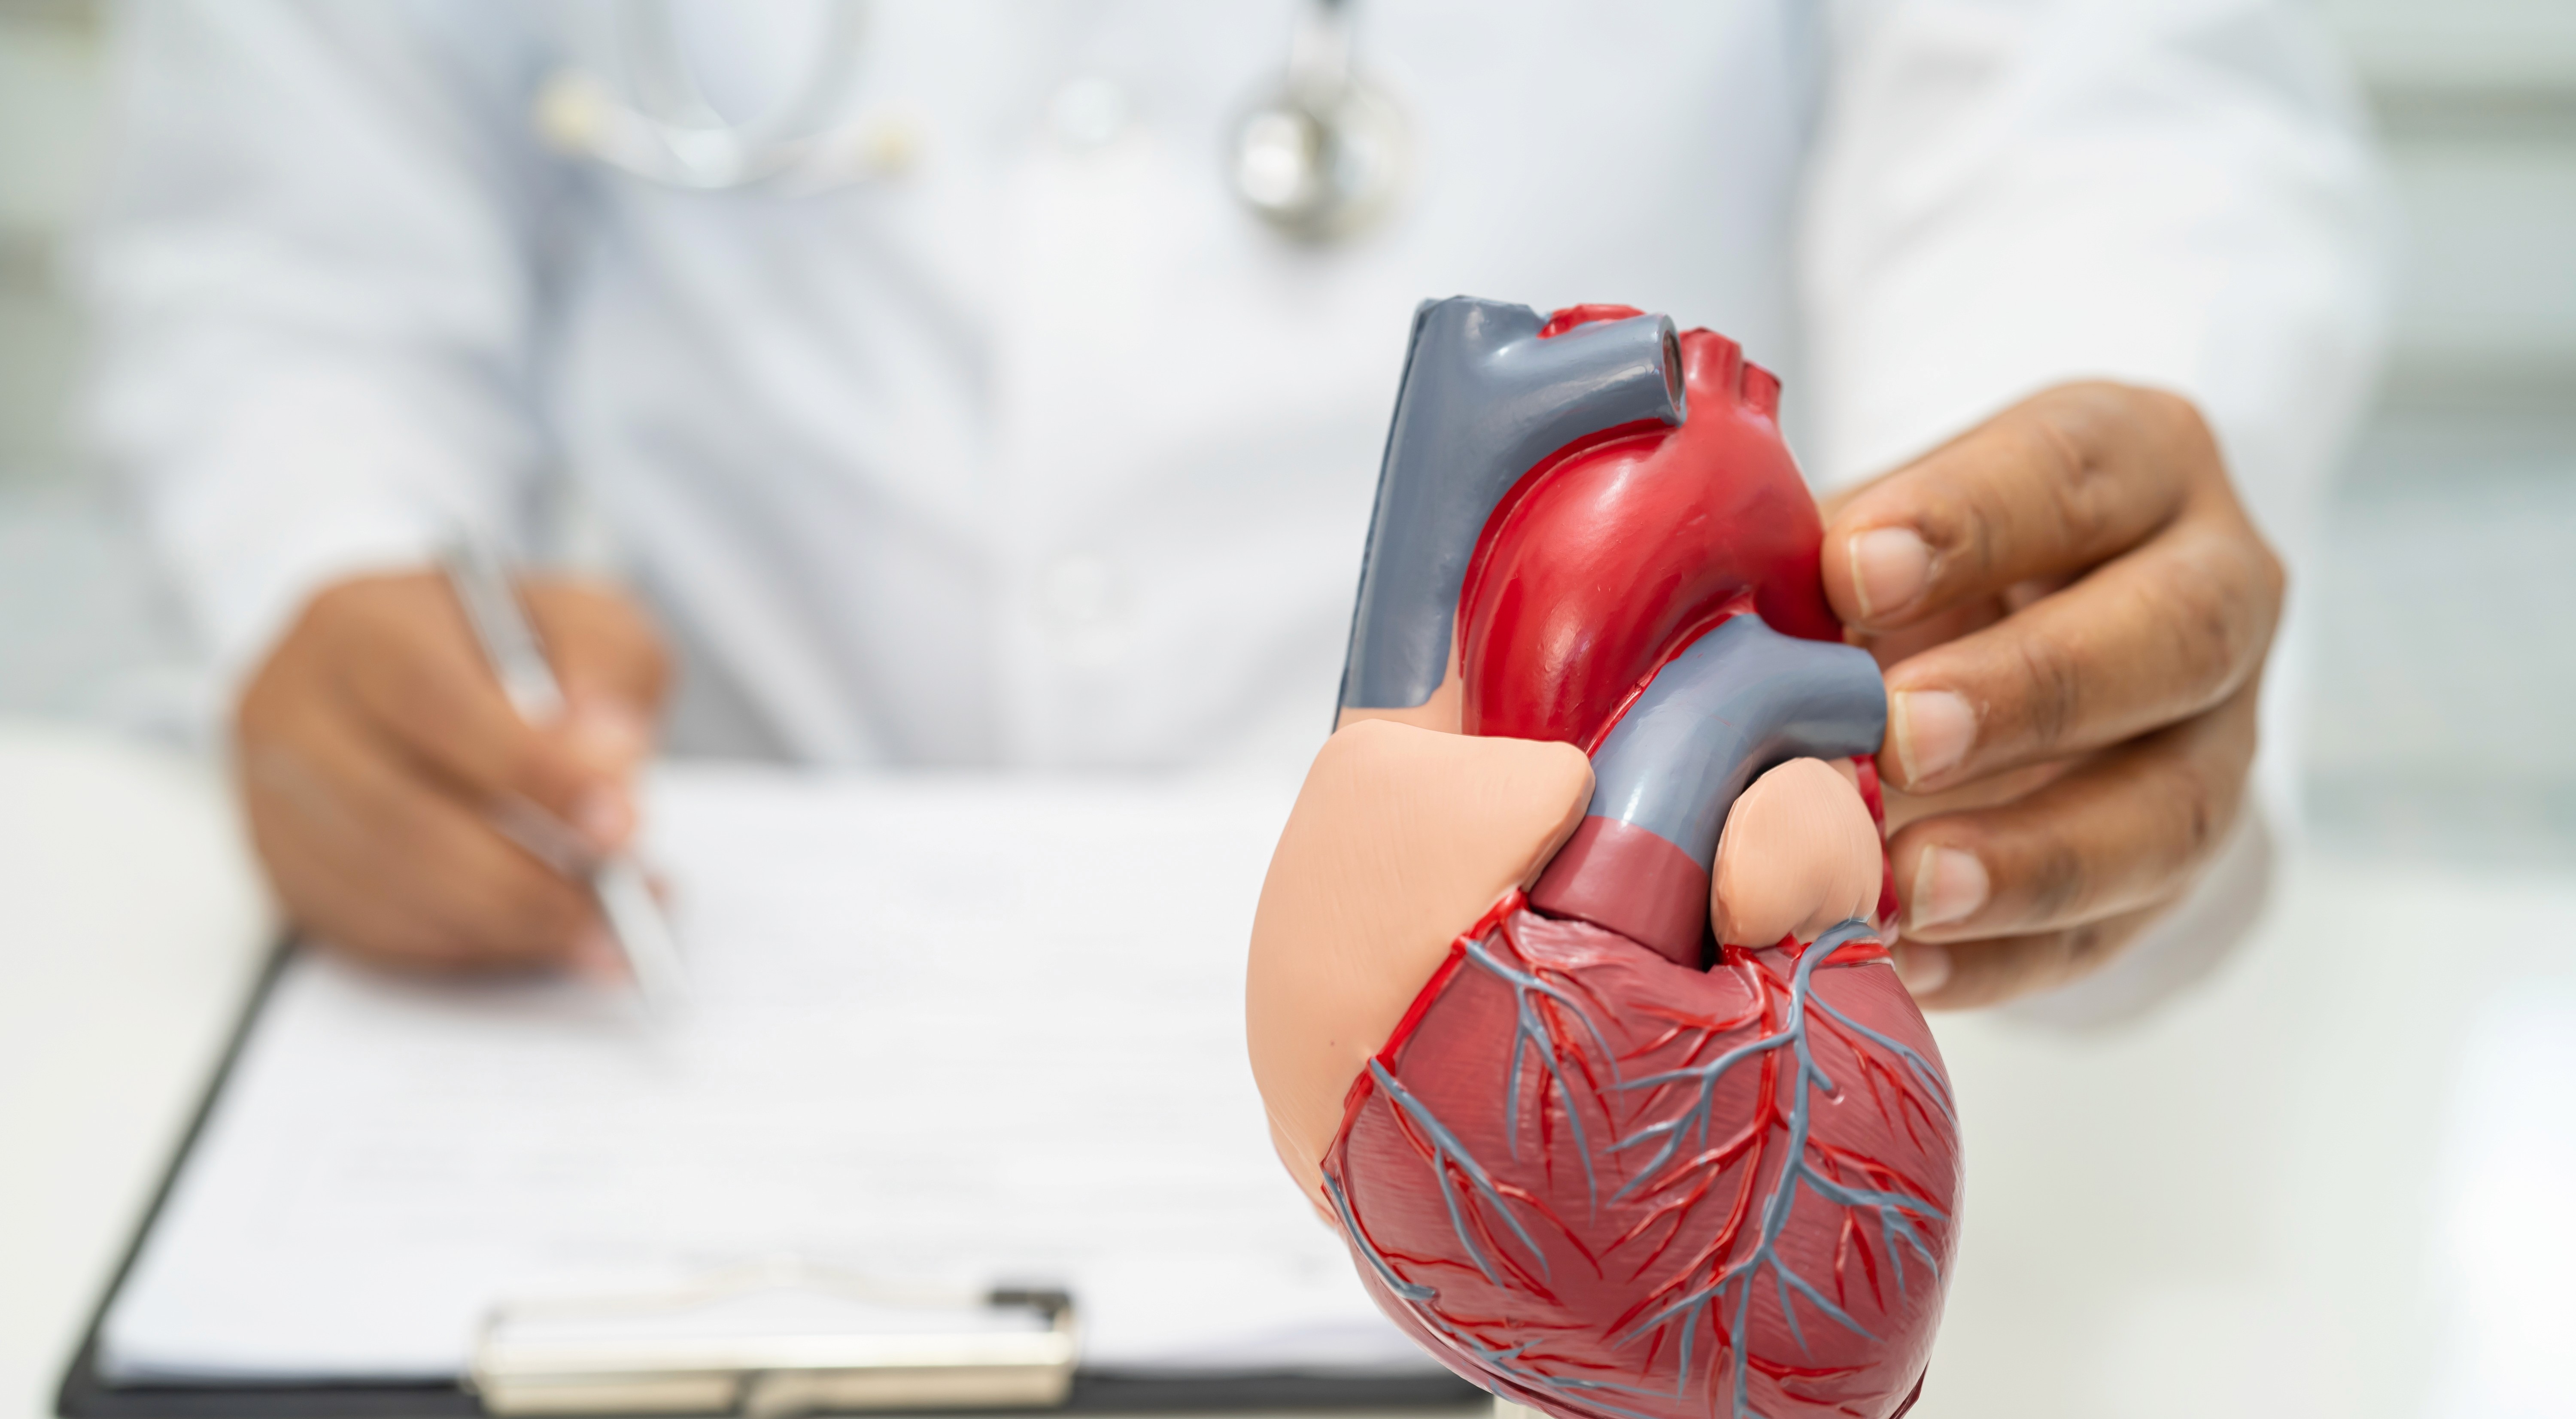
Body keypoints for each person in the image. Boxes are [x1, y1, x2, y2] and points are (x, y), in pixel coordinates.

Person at [85, 0, 2385, 1013]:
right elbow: (294, 241)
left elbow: (2102, 117)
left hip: (1627, 974)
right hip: (715, 958)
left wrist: (2037, 596)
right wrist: (337, 563)